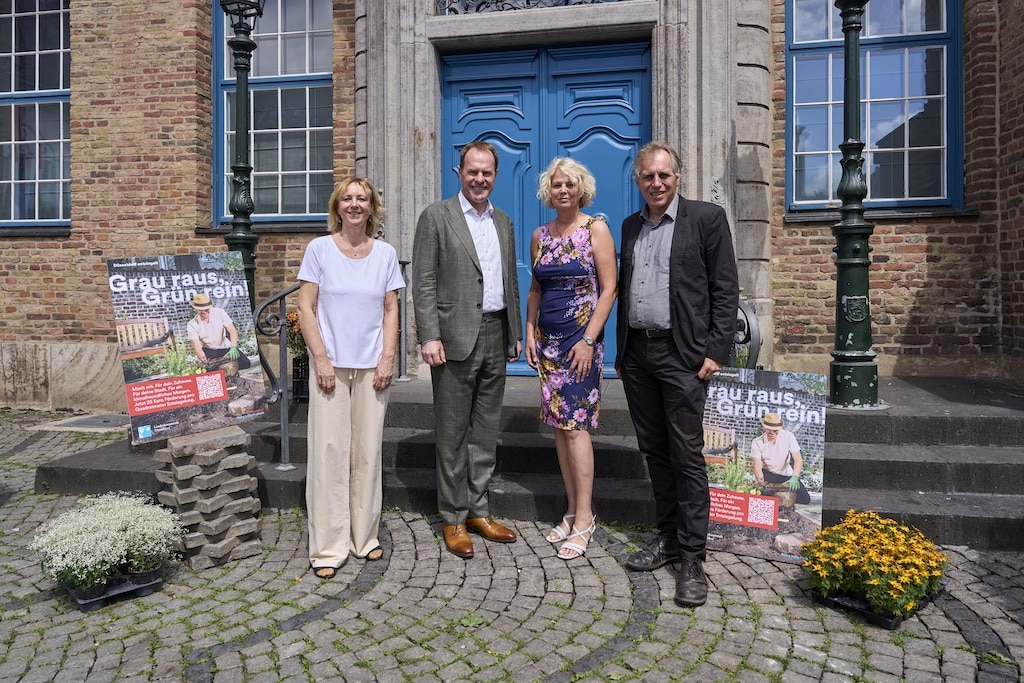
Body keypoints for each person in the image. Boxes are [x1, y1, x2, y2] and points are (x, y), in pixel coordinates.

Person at [616, 141, 739, 607]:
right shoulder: (630, 226)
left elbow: (725, 288)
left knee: (687, 454)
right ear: (638, 181)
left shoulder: (706, 219)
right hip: (639, 356)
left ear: (677, 176)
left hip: (684, 355)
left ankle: (693, 556)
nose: (657, 183)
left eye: (664, 175)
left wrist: (716, 351)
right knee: (655, 450)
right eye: (648, 176)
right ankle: (667, 538)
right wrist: (623, 355)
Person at [411, 140, 523, 559]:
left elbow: (508, 279)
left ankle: (478, 509)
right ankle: (453, 516)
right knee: (453, 433)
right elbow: (423, 280)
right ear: (459, 173)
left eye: (487, 173)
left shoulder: (504, 222)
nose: (479, 179)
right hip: (454, 338)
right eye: (472, 172)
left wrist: (512, 330)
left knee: (485, 431)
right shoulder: (436, 217)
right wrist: (429, 335)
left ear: (495, 176)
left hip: (496, 333)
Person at [296, 177, 404, 579]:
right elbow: (306, 307)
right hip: (332, 367)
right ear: (337, 207)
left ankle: (364, 537)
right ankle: (328, 546)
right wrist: (320, 359)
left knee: (367, 451)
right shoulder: (320, 250)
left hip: (373, 365)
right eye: (348, 199)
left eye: (362, 199)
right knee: (329, 452)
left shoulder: (385, 254)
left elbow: (391, 309)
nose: (355, 205)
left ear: (372, 207)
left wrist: (387, 358)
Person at [524, 157, 617, 560]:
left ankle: (585, 518)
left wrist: (589, 340)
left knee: (576, 429)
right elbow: (535, 289)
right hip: (548, 346)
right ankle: (570, 508)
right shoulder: (540, 235)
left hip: (581, 346)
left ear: (581, 188)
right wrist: (529, 331)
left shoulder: (594, 228)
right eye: (557, 185)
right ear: (549, 190)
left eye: (569, 184)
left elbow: (610, 288)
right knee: (560, 429)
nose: (563, 190)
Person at [751, 412, 810, 504]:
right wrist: (761, 483)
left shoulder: (788, 437)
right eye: (769, 430)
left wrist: (795, 477)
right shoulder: (757, 442)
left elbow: (798, 459)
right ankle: (777, 497)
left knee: (805, 499)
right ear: (764, 427)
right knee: (763, 498)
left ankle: (780, 497)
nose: (772, 433)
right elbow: (757, 466)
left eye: (775, 430)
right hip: (769, 474)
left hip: (786, 474)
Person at [186, 293, 252, 370]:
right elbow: (197, 347)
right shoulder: (192, 324)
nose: (204, 312)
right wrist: (204, 362)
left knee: (246, 363)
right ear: (195, 309)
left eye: (206, 309)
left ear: (210, 307)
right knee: (209, 370)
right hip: (209, 351)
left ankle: (225, 368)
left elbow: (232, 331)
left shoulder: (220, 313)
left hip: (225, 347)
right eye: (201, 310)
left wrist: (233, 347)